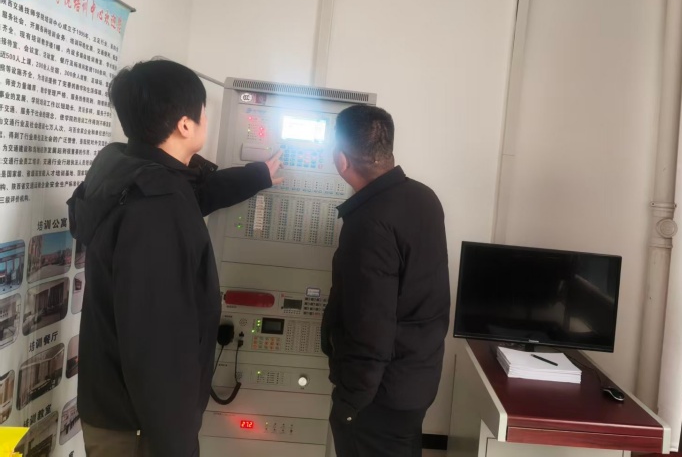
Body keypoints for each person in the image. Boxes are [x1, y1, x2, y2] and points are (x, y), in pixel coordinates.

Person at [68, 59, 282, 457]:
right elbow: (156, 342)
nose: (206, 120)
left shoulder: (123, 170)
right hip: (142, 425)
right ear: (185, 125)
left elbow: (191, 193)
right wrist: (176, 441)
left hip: (115, 404)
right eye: (203, 111)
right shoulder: (156, 208)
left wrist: (256, 176)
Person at [321, 105, 450, 457]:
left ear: (341, 160)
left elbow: (370, 327)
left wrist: (350, 403)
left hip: (379, 397)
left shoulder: (369, 222)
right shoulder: (424, 197)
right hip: (416, 381)